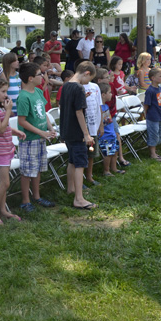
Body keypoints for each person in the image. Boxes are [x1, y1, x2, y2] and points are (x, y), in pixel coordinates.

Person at [0, 77, 26, 225]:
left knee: (4, 182)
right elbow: (0, 129)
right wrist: (9, 110)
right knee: (5, 183)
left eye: (6, 91)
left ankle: (2, 210)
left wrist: (16, 132)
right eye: (2, 92)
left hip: (7, 147)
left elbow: (6, 127)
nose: (5, 95)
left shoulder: (0, 107)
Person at [16, 62, 56, 213]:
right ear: (31, 78)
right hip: (29, 140)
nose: (43, 76)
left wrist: (50, 129)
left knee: (37, 168)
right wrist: (41, 133)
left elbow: (44, 113)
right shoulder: (23, 97)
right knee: (27, 171)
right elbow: (22, 121)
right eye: (40, 74)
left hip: (40, 138)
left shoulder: (38, 92)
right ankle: (25, 201)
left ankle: (37, 197)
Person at [59, 61, 97, 210]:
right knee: (80, 163)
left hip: (67, 131)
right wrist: (86, 134)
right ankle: (79, 199)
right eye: (90, 79)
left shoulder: (66, 85)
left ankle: (71, 189)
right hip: (77, 133)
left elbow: (64, 106)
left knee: (72, 161)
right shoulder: (79, 87)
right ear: (86, 73)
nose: (88, 82)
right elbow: (79, 112)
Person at [96, 82, 122, 177]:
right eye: (109, 92)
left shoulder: (106, 106)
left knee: (114, 151)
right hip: (105, 135)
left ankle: (114, 168)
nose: (111, 94)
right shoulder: (99, 108)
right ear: (103, 95)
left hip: (111, 134)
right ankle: (106, 171)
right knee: (108, 154)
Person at [83, 64, 103, 187]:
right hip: (82, 128)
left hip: (93, 127)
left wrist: (101, 125)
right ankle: (79, 179)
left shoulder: (95, 87)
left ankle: (89, 177)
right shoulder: (77, 87)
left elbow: (99, 106)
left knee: (91, 154)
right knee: (81, 154)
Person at [143, 68, 161, 161]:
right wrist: (146, 114)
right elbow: (146, 105)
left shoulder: (160, 88)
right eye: (160, 76)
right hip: (153, 117)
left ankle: (155, 151)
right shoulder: (150, 90)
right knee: (153, 135)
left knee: (160, 135)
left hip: (160, 116)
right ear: (153, 78)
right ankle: (152, 154)